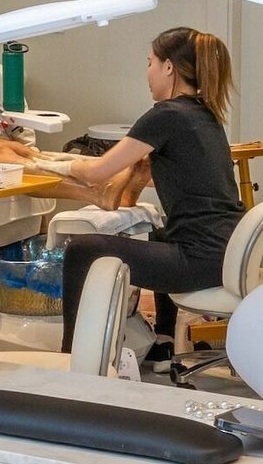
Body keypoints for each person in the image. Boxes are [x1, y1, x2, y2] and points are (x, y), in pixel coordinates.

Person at [43, 28, 245, 367]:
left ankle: (72, 360)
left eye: (150, 62)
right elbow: (131, 195)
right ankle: (163, 341)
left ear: (169, 67)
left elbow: (95, 173)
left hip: (201, 260)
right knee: (160, 234)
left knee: (82, 249)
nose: (147, 73)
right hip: (229, 251)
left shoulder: (166, 115)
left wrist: (39, 162)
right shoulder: (205, 114)